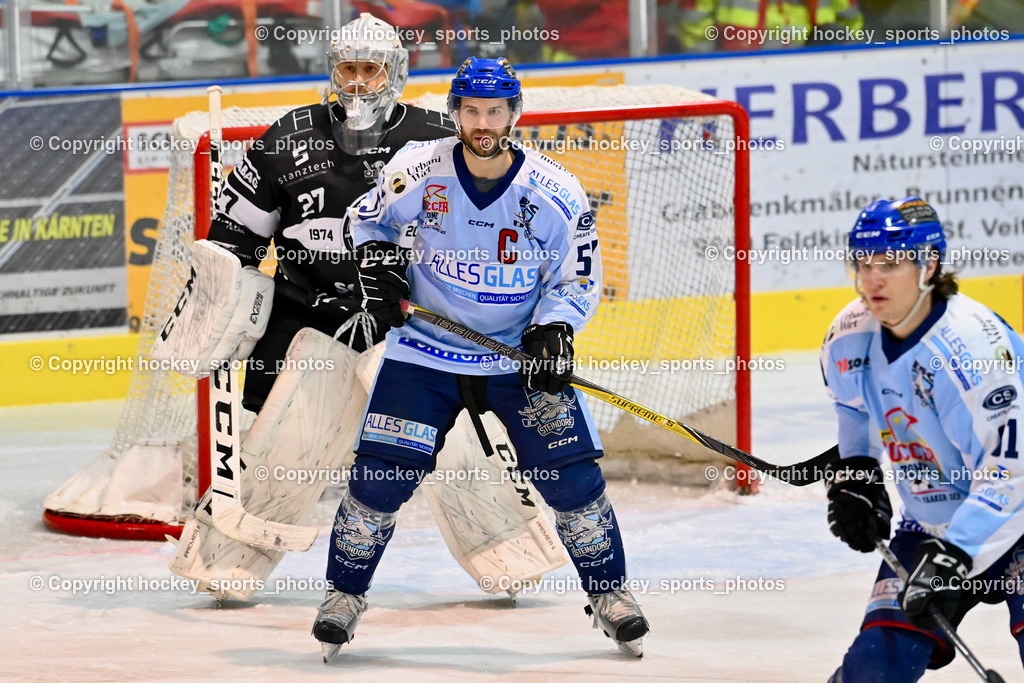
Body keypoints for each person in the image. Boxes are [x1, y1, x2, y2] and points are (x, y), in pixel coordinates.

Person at [167, 14, 557, 603]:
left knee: (455, 446)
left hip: (415, 329)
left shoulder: (436, 143)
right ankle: (223, 565)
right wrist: (217, 297)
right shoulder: (286, 140)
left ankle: (510, 555)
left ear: (394, 74)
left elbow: (495, 223)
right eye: (346, 69)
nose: (356, 83)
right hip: (311, 324)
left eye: (369, 70)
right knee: (287, 450)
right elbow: (233, 242)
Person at [311, 56, 650, 660]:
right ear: (456, 115)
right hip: (426, 352)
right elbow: (367, 221)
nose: (484, 123)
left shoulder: (555, 192)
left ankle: (611, 595)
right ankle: (343, 595)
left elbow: (577, 277)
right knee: (380, 478)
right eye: (472, 111)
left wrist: (554, 329)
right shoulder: (417, 169)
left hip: (516, 358)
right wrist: (383, 267)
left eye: (495, 111)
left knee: (571, 479)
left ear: (514, 114)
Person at [819, 196, 1024, 681]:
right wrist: (857, 475)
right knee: (871, 671)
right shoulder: (849, 336)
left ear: (928, 264)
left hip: (1016, 525)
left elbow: (1011, 472)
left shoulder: (974, 351)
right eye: (863, 263)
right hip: (932, 531)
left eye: (890, 264)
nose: (872, 279)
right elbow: (853, 410)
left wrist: (956, 554)